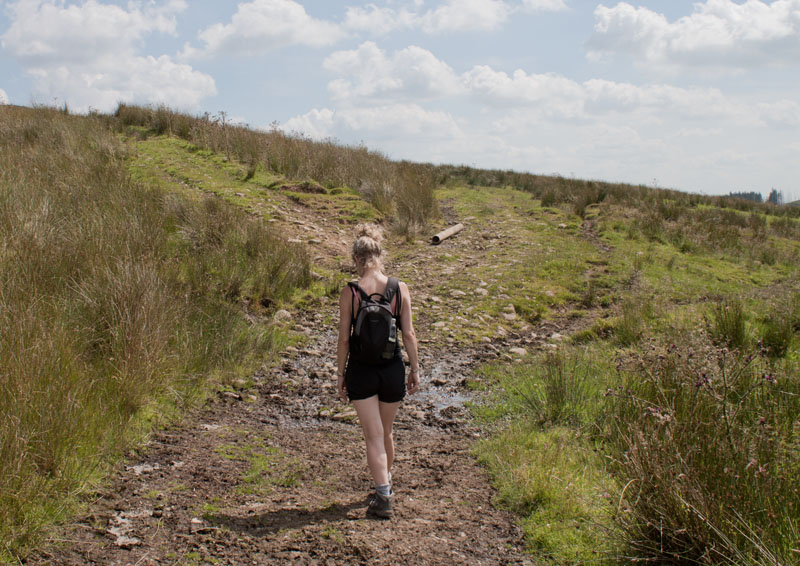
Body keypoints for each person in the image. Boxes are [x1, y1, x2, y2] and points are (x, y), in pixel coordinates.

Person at [336, 223, 420, 519]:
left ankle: (383, 496)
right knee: (386, 433)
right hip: (392, 369)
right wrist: (415, 370)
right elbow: (408, 335)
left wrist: (340, 374)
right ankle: (384, 484)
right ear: (379, 255)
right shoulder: (400, 288)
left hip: (361, 370)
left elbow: (344, 338)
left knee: (372, 436)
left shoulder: (351, 292)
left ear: (357, 258)